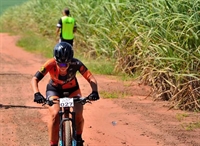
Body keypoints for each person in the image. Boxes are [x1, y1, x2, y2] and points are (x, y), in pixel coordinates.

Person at [31, 42, 99, 146]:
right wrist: (37, 93)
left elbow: (90, 77)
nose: (63, 67)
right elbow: (35, 79)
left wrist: (94, 91)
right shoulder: (50, 63)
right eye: (60, 64)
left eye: (65, 64)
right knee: (55, 114)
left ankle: (79, 138)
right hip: (54, 90)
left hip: (73, 90)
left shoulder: (76, 64)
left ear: (70, 61)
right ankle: (53, 143)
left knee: (78, 112)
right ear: (55, 60)